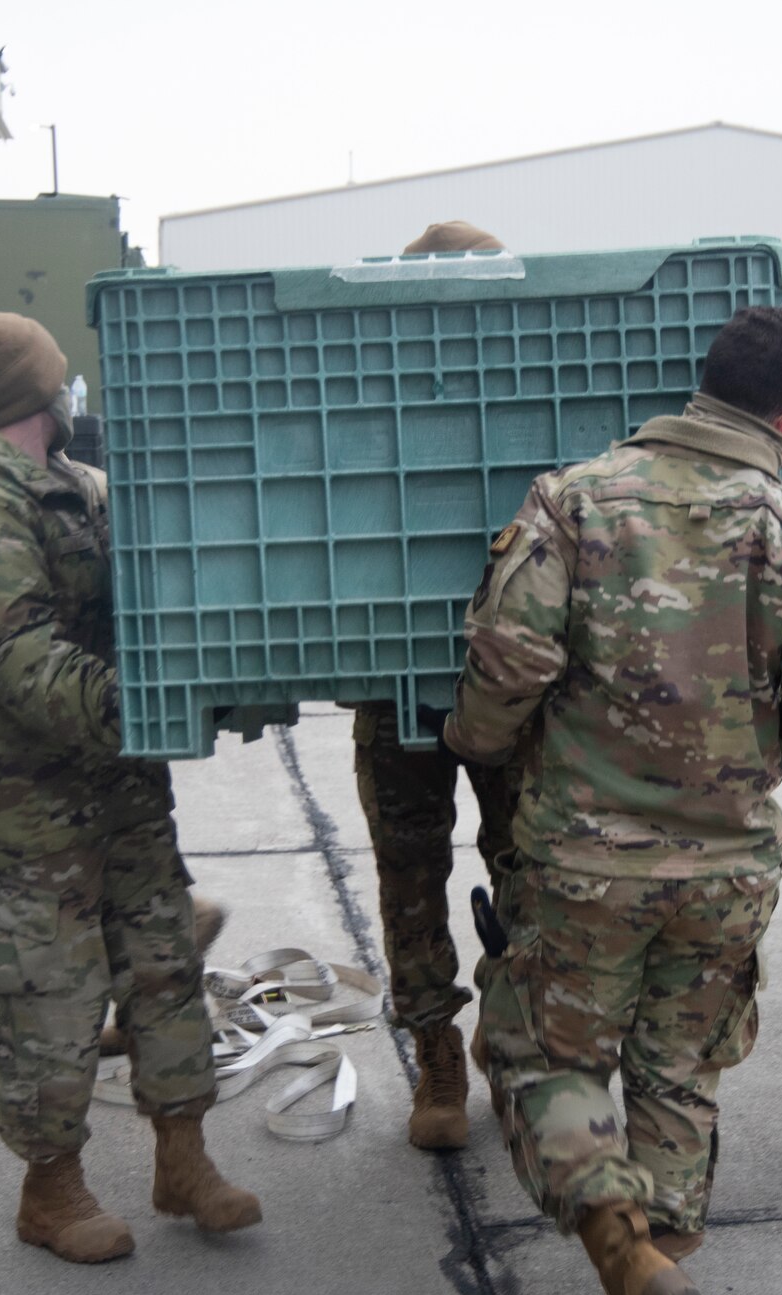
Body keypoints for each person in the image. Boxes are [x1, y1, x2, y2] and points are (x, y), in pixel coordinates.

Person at [445, 306, 782, 1295]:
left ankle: (622, 1254)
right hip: (726, 863)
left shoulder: (577, 498)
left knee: (546, 1055)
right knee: (681, 1065)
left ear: (703, 384)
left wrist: (482, 743)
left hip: (582, 858)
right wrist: (750, 743)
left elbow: (510, 657)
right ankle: (656, 1267)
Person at [0, 312, 259, 1263]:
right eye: (63, 381)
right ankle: (50, 1193)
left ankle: (184, 1161)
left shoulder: (77, 487)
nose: (74, 396)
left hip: (121, 794)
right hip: (22, 811)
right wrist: (153, 701)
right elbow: (22, 665)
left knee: (165, 972)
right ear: (38, 394)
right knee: (52, 1007)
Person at [350, 220, 525, 1152]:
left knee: (524, 869)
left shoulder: (535, 388)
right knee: (413, 877)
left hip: (511, 682)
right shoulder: (362, 399)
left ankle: (502, 1030)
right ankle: (438, 1057)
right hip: (397, 687)